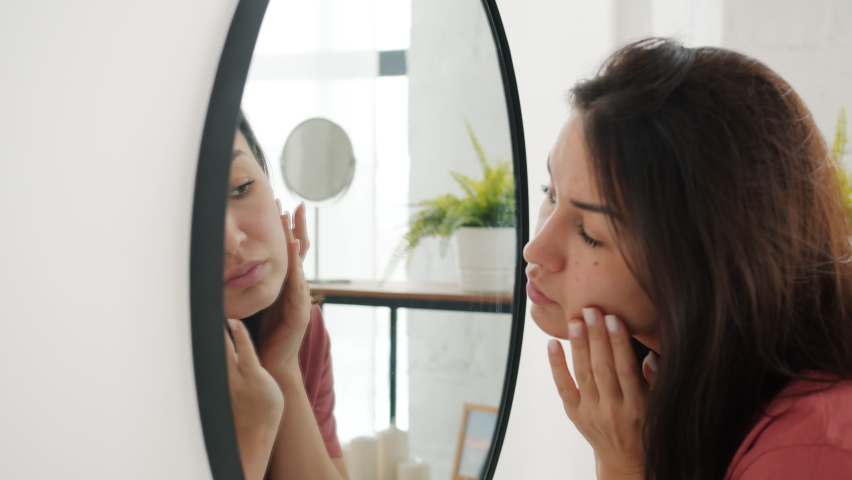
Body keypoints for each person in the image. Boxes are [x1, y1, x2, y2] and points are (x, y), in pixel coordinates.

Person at [524, 38, 852, 480]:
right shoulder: (676, 385)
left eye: (590, 234)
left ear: (698, 262)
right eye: (550, 194)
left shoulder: (810, 450)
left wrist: (624, 467)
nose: (536, 250)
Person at [224, 110, 349, 480]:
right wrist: (257, 429)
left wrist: (282, 365)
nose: (231, 240)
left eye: (240, 188)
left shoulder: (298, 325)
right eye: (195, 220)